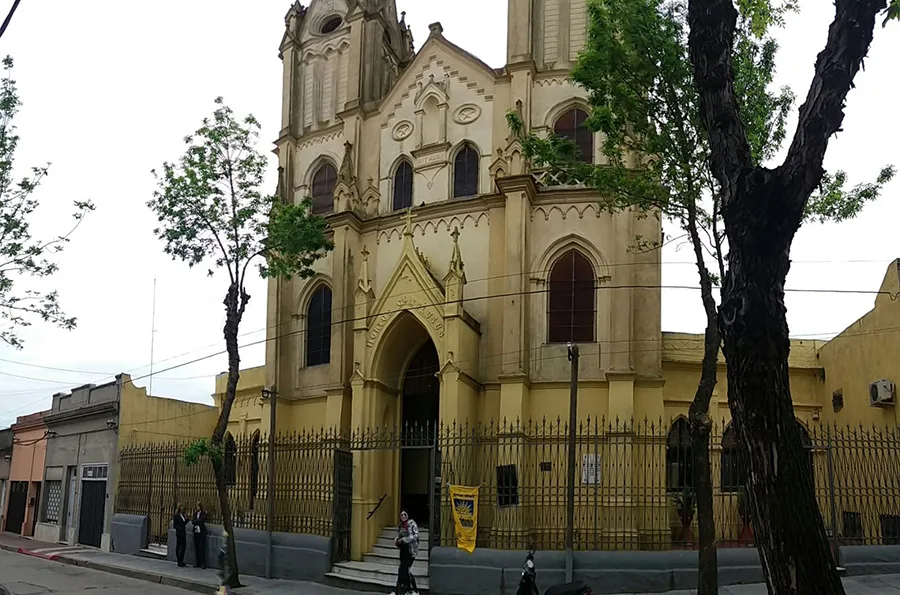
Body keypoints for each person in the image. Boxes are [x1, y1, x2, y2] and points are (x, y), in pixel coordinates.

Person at [391, 509, 419, 595]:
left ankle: (411, 590)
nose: (403, 516)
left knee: (405, 569)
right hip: (403, 550)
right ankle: (403, 590)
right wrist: (397, 540)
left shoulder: (412, 523)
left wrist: (405, 539)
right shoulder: (400, 525)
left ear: (408, 515)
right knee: (403, 570)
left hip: (411, 550)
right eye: (402, 515)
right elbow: (399, 535)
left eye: (405, 515)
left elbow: (416, 535)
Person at [192, 501, 208, 569]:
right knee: (197, 548)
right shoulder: (195, 514)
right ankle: (197, 562)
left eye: (198, 506)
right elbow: (193, 521)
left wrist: (197, 521)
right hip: (196, 532)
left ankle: (202, 563)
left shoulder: (203, 513)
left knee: (201, 548)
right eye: (196, 506)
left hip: (201, 532)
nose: (197, 507)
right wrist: (197, 521)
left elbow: (202, 520)